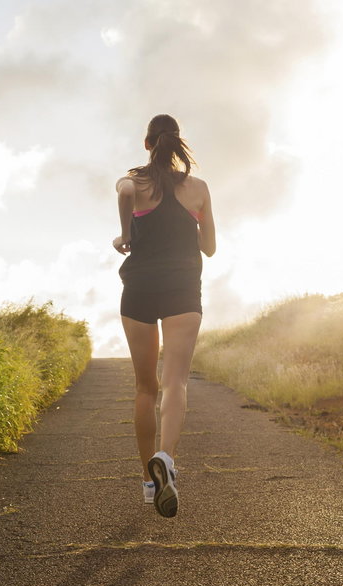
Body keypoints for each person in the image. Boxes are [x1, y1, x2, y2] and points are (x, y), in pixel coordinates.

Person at [113, 114, 216, 518]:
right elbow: (209, 248)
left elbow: (123, 193)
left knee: (145, 387)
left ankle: (148, 481)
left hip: (139, 287)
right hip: (183, 290)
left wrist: (125, 234)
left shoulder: (135, 181)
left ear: (147, 144)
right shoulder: (198, 188)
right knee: (176, 382)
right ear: (175, 143)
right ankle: (167, 460)